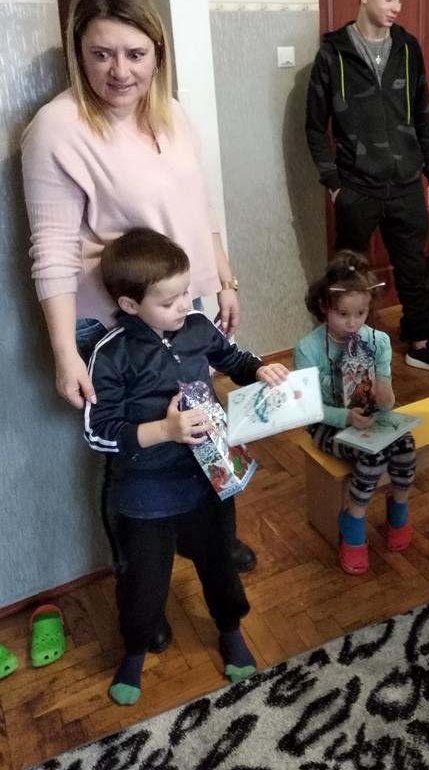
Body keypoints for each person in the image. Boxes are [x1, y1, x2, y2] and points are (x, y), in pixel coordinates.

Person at [21, 0, 256, 630]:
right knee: (133, 455)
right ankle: (141, 587)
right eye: (101, 54)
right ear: (79, 54)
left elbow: (200, 205)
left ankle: (209, 539)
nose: (119, 71)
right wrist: (65, 351)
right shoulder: (58, 129)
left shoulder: (172, 113)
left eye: (134, 54)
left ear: (158, 52)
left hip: (184, 308)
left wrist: (224, 279)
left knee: (198, 424)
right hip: (114, 327)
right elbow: (52, 249)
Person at [84, 228, 288, 705]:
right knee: (143, 579)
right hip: (146, 490)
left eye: (186, 292)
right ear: (130, 304)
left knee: (219, 560)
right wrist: (165, 430)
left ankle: (230, 629)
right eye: (169, 300)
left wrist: (259, 369)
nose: (184, 306)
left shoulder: (195, 325)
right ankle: (135, 651)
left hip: (208, 477)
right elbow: (99, 431)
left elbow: (233, 357)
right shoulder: (111, 353)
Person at [305, 0, 429, 378]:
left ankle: (419, 343)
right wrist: (334, 183)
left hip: (406, 183)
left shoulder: (407, 48)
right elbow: (314, 127)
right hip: (357, 187)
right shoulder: (333, 55)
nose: (397, 7)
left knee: (413, 268)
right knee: (348, 274)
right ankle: (343, 349)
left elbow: (423, 114)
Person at [294, 250, 416, 574]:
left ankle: (399, 509)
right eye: (343, 314)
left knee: (406, 445)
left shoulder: (378, 341)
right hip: (327, 424)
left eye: (360, 313)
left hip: (370, 417)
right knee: (374, 456)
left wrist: (386, 395)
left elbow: (386, 397)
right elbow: (307, 409)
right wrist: (345, 417)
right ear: (325, 306)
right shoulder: (308, 349)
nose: (352, 323)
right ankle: (354, 519)